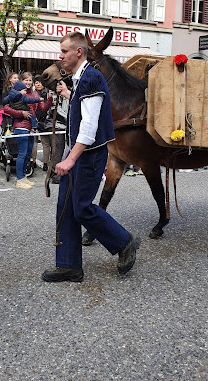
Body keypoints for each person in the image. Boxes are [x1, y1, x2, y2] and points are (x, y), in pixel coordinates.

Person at [42, 32, 138, 283]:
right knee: (65, 207)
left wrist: (70, 159)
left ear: (79, 53)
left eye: (64, 52)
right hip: (79, 153)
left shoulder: (91, 78)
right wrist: (68, 95)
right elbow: (85, 107)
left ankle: (124, 242)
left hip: (89, 156)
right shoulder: (81, 78)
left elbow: (90, 125)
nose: (60, 56)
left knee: (82, 209)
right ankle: (69, 265)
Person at [3, 81, 52, 189]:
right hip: (21, 127)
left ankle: (24, 177)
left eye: (31, 80)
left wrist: (49, 99)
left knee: (27, 154)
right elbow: (5, 107)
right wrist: (21, 113)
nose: (28, 84)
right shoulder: (16, 96)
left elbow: (43, 108)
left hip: (30, 127)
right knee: (22, 154)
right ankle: (19, 179)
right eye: (25, 86)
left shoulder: (33, 94)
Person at [44, 91, 69, 184]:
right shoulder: (54, 93)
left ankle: (54, 173)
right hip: (55, 126)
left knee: (58, 150)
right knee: (57, 150)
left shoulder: (67, 91)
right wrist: (69, 119)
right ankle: (55, 175)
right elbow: (55, 110)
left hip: (62, 126)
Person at [32, 76, 50, 171]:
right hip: (34, 120)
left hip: (44, 120)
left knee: (45, 143)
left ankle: (45, 163)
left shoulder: (48, 93)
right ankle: (33, 161)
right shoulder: (32, 94)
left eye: (40, 82)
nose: (38, 84)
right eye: (36, 83)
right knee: (34, 142)